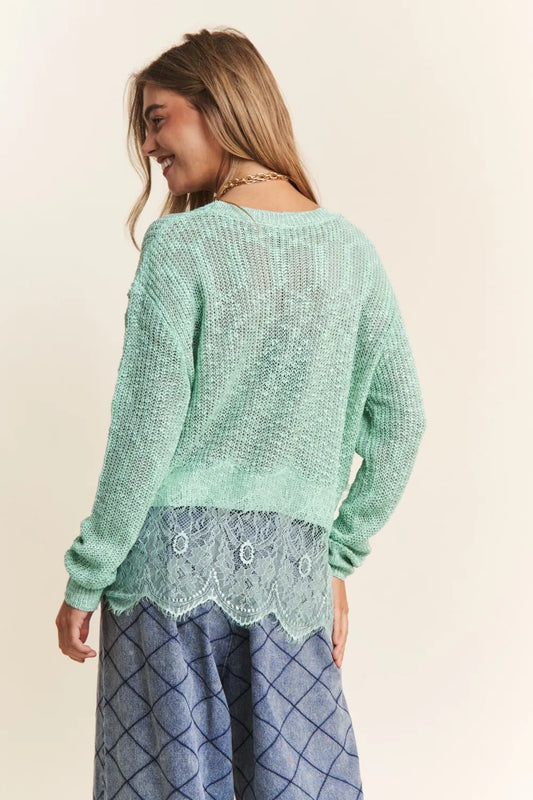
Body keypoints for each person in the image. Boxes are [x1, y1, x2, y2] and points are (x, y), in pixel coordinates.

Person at [56, 26, 427, 800]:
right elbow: (400, 425)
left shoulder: (181, 247)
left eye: (158, 119)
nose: (149, 146)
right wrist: (332, 560)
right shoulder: (350, 254)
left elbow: (144, 434)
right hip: (291, 579)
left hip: (165, 580)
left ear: (220, 106)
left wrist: (87, 576)